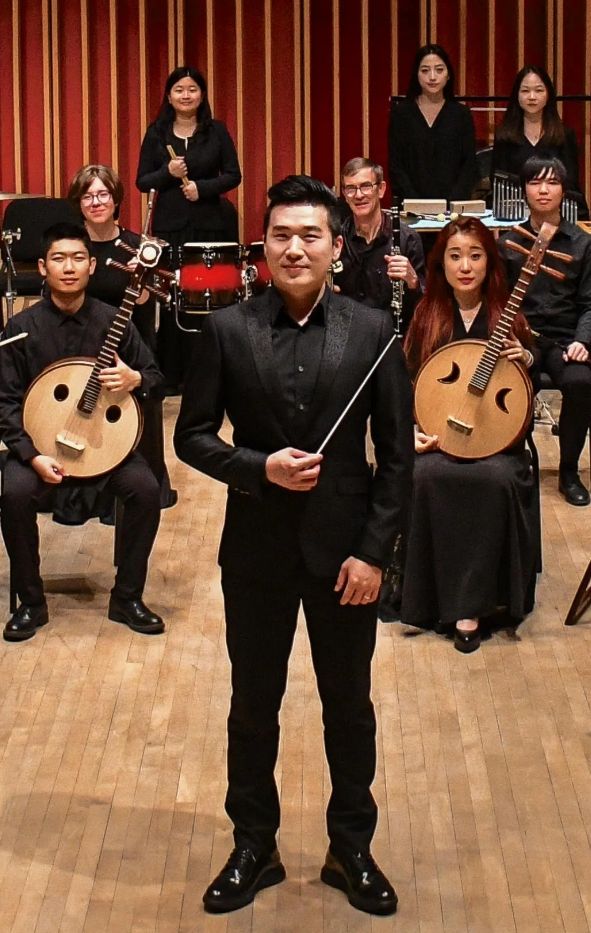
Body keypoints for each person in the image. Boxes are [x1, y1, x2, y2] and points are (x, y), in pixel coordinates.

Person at [174, 176, 414, 915]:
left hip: (346, 557)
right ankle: (254, 844)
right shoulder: (226, 329)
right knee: (253, 706)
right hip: (256, 551)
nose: (294, 248)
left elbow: (397, 457)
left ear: (336, 247)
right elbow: (191, 436)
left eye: (310, 235)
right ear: (262, 247)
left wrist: (373, 553)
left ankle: (351, 848)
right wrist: (258, 468)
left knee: (349, 708)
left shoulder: (374, 331)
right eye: (281, 235)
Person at [0, 223, 165, 642]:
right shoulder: (21, 328)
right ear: (43, 267)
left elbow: (155, 379)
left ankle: (127, 597)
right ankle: (31, 602)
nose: (69, 267)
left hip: (105, 449)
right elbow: (5, 402)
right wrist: (31, 455)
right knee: (14, 492)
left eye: (78, 258)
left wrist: (135, 379)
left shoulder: (115, 322)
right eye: (59, 259)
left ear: (92, 265)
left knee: (146, 489)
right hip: (41, 451)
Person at [401, 217, 539, 652]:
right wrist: (410, 430)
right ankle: (427, 597)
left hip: (498, 444)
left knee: (495, 480)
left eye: (476, 256)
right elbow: (406, 383)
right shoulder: (427, 314)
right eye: (455, 256)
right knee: (424, 476)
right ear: (440, 264)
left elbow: (527, 391)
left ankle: (475, 603)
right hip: (439, 439)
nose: (465, 266)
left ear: (490, 263)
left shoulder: (507, 315)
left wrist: (526, 359)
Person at [68, 163, 176, 510]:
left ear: (116, 200)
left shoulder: (138, 246)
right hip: (81, 348)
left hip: (130, 349)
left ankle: (136, 491)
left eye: (103, 194)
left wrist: (139, 281)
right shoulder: (71, 247)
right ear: (78, 203)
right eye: (88, 196)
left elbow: (145, 304)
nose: (96, 202)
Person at [136, 66, 242, 391]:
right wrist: (167, 172)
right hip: (170, 228)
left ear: (202, 95)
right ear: (169, 96)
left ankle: (211, 375)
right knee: (173, 300)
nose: (186, 95)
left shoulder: (216, 131)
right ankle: (173, 374)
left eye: (192, 89)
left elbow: (234, 174)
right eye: (179, 90)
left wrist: (203, 189)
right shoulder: (157, 132)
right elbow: (142, 181)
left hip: (211, 226)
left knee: (210, 299)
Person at [499, 156, 591, 506]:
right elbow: (498, 300)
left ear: (563, 191)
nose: (543, 190)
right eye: (535, 182)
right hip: (522, 337)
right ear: (524, 190)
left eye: (552, 182)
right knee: (509, 382)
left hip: (565, 339)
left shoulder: (582, 243)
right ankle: (514, 463)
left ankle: (569, 471)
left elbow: (589, 302)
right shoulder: (510, 242)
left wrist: (582, 341)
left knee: (581, 382)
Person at [333, 157, 425, 333]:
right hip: (348, 336)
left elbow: (424, 308)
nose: (359, 195)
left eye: (366, 186)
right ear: (344, 194)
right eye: (351, 188)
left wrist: (413, 282)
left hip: (392, 336)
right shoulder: (336, 240)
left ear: (381, 189)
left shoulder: (408, 239)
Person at [491, 66, 588, 218]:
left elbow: (570, 182)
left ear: (548, 94)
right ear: (516, 95)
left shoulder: (564, 135)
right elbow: (499, 181)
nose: (532, 97)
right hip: (515, 214)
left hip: (559, 214)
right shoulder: (504, 136)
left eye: (539, 90)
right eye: (525, 91)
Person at [388, 44, 477, 202]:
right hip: (410, 205)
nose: (432, 77)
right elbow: (396, 165)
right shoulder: (401, 114)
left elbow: (469, 165)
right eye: (425, 70)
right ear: (416, 75)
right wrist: (415, 202)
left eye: (439, 70)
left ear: (448, 75)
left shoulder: (461, 114)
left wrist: (452, 203)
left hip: (453, 207)